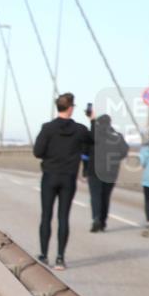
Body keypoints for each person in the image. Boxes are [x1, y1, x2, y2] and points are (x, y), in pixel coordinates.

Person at [32, 92, 93, 271]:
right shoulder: (80, 130)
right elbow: (93, 141)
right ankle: (60, 258)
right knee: (63, 217)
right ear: (71, 108)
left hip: (50, 176)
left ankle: (43, 256)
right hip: (68, 178)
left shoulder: (47, 128)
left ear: (57, 107)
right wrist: (93, 120)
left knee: (46, 216)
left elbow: (37, 152)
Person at [87, 113, 129, 232]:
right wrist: (115, 159)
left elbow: (84, 148)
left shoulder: (95, 135)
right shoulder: (117, 136)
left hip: (95, 170)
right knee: (105, 197)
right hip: (111, 171)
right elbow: (124, 151)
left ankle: (96, 218)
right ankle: (103, 222)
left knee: (95, 195)